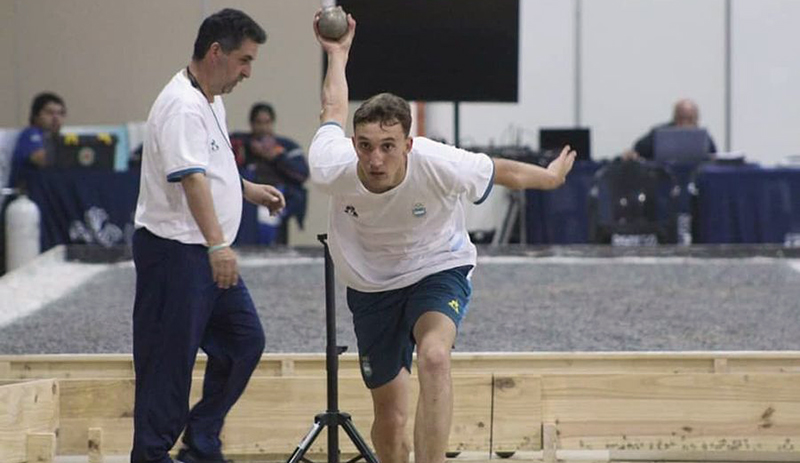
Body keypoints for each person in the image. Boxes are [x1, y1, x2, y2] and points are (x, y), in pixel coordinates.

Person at [309, 13, 575, 463]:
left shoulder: (439, 161)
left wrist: (549, 179)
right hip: (371, 286)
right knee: (390, 426)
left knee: (434, 357)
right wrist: (337, 55)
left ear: (408, 145)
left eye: (388, 146)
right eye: (366, 145)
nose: (376, 158)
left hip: (437, 265)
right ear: (354, 143)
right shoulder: (331, 165)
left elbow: (501, 169)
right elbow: (333, 110)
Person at [130, 9, 284, 463]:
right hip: (176, 254)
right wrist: (219, 245)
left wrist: (247, 190)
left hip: (203, 254)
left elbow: (213, 167)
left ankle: (201, 441)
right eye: (244, 60)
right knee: (167, 367)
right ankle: (152, 455)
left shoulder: (211, 98)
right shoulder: (181, 105)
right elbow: (192, 179)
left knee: (244, 342)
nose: (247, 73)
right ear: (216, 52)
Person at [231, 103, 309, 245]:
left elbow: (302, 174)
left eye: (267, 122)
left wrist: (275, 157)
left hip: (277, 195)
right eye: (258, 123)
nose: (263, 127)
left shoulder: (286, 146)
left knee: (268, 220)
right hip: (246, 197)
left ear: (272, 123)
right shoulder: (240, 142)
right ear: (252, 123)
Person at [623, 98, 717, 160]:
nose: (685, 124)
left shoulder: (703, 137)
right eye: (681, 118)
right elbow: (637, 150)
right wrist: (632, 155)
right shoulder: (660, 134)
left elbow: (714, 157)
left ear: (696, 120)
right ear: (675, 117)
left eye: (689, 119)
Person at [9, 92, 66, 190]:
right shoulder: (30, 134)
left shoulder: (59, 139)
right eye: (50, 113)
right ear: (36, 116)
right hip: (25, 198)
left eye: (60, 113)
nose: (56, 118)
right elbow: (42, 160)